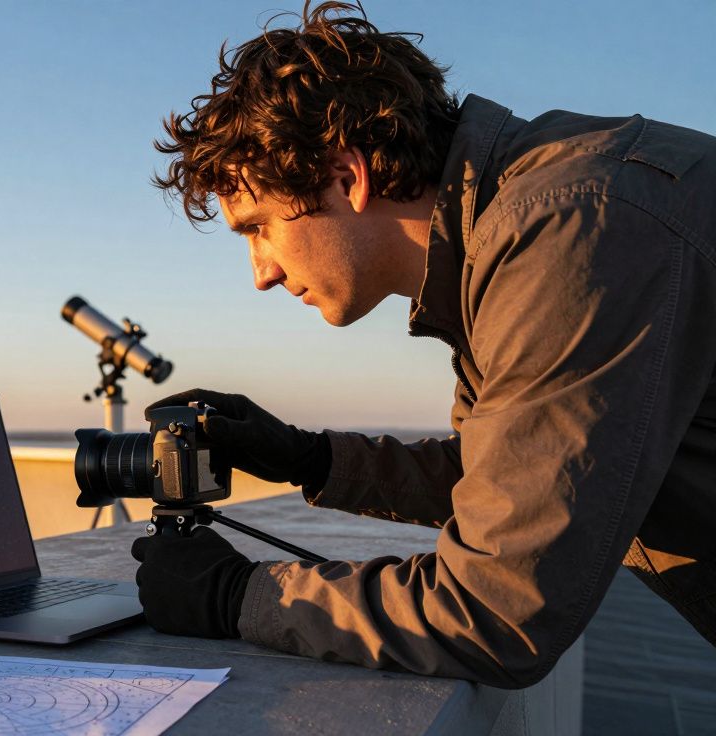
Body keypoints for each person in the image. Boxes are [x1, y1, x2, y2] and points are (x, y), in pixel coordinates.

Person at [132, 1, 716, 688]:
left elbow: (494, 612)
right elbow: (511, 476)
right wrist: (307, 458)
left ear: (348, 177)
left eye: (258, 227)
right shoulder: (515, 220)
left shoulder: (571, 232)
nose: (261, 273)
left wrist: (238, 597)